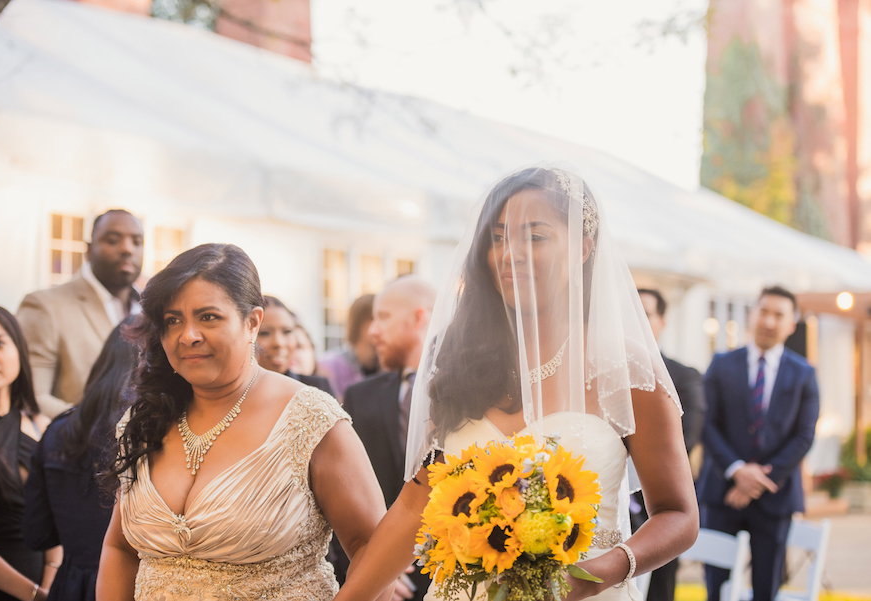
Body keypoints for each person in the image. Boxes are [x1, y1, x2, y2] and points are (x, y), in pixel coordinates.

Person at [334, 166, 698, 601]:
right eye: (499, 237)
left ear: (583, 247)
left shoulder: (622, 368)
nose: (511, 253)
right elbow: (414, 505)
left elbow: (677, 514)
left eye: (536, 237)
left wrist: (598, 573)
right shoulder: (458, 364)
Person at [96, 243, 394, 601]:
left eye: (208, 317)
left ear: (253, 322)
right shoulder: (147, 419)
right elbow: (120, 548)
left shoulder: (310, 418)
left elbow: (375, 551)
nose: (187, 334)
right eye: (173, 320)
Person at [698, 286, 819, 601]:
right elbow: (706, 424)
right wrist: (738, 470)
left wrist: (759, 479)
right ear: (752, 315)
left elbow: (804, 435)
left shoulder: (804, 374)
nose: (769, 321)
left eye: (779, 315)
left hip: (774, 497)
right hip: (722, 493)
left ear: (792, 324)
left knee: (768, 588)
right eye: (764, 311)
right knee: (715, 588)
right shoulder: (721, 364)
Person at [22, 320, 137, 601]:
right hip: (133, 586)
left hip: (71, 586)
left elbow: (37, 534)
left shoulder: (58, 429)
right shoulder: (157, 431)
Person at [342, 276, 438, 601]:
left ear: (418, 317)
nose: (371, 331)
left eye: (382, 317)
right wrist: (378, 571)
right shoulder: (359, 396)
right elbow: (343, 497)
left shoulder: (476, 393)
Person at [17, 210, 144, 418]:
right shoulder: (45, 306)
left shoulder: (151, 311)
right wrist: (90, 428)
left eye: (137, 242)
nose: (127, 249)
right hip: (79, 445)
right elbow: (32, 396)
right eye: (113, 240)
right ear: (88, 250)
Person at [0, 303, 59, 601]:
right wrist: (32, 594)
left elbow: (56, 520)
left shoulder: (42, 425)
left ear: (18, 349)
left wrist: (51, 584)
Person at [630, 289, 706, 601]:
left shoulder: (684, 376)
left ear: (662, 321)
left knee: (660, 590)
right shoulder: (593, 370)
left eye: (645, 314)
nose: (636, 321)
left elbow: (686, 438)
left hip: (657, 506)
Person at [256, 296, 334, 395]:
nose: (278, 343)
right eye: (265, 333)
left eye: (287, 331)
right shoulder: (236, 394)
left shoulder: (317, 389)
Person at [317, 294, 380, 402]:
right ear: (359, 322)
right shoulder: (330, 365)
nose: (380, 325)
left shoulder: (389, 366)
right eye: (375, 318)